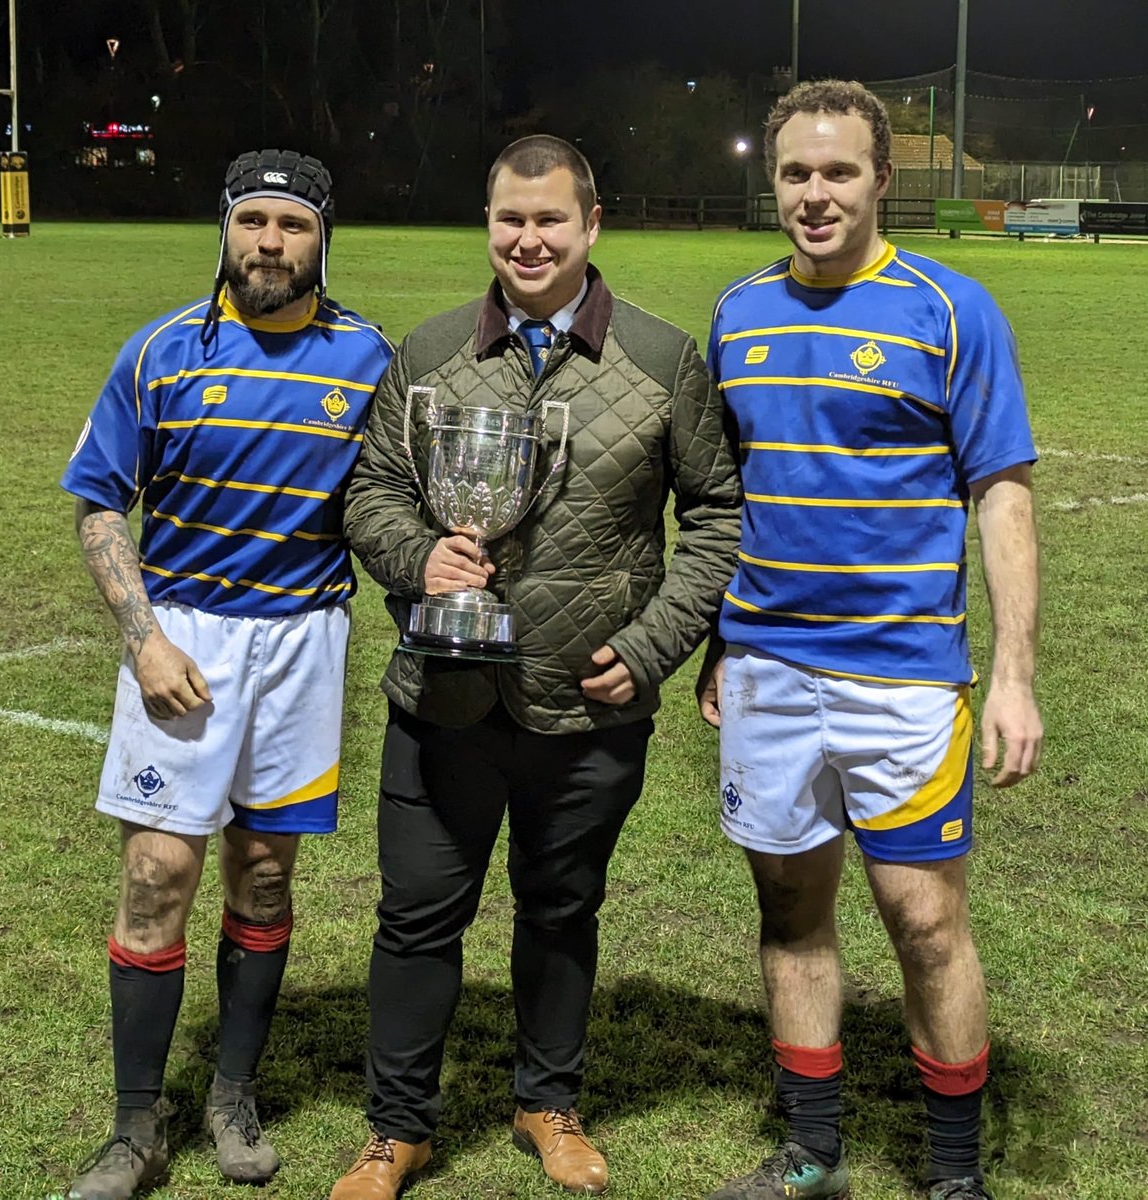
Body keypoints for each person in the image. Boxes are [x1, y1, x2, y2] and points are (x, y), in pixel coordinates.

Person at [327, 133, 741, 1200]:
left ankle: (546, 1102)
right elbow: (370, 490)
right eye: (508, 219)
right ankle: (394, 1129)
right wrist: (418, 555)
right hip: (442, 696)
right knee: (416, 917)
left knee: (561, 913)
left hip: (587, 701)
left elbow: (715, 516)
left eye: (549, 219)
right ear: (488, 226)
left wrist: (651, 649)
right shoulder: (424, 354)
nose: (527, 238)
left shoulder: (660, 361)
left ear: (590, 225)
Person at [698, 80, 1043, 1200]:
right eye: (795, 172)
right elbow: (724, 499)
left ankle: (951, 1175)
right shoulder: (736, 315)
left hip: (902, 679)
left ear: (882, 180)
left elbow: (1001, 494)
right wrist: (716, 640)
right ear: (774, 180)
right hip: (763, 670)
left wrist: (1013, 675)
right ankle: (811, 1151)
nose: (813, 193)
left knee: (925, 922)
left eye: (837, 172)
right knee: (789, 913)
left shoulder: (949, 309)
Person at [60, 148, 393, 1200]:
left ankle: (232, 1093)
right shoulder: (161, 353)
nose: (268, 244)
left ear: (321, 238)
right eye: (251, 222)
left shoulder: (368, 360)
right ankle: (134, 1126)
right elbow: (100, 502)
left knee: (264, 873)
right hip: (187, 637)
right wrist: (145, 639)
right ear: (225, 228)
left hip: (303, 639)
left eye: (290, 227)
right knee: (159, 872)